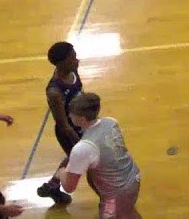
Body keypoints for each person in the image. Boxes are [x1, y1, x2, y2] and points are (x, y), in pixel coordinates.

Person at [59, 93, 142, 219]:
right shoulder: (111, 122)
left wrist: (61, 171)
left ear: (82, 119)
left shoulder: (83, 148)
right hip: (132, 176)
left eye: (71, 114)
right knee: (128, 212)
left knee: (124, 213)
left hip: (117, 192)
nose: (69, 116)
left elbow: (69, 187)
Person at [36, 41, 83, 205]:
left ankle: (52, 186)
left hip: (81, 124)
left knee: (74, 158)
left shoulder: (72, 70)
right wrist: (80, 142)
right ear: (62, 62)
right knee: (82, 159)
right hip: (69, 130)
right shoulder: (55, 91)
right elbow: (63, 125)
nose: (77, 60)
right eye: (73, 57)